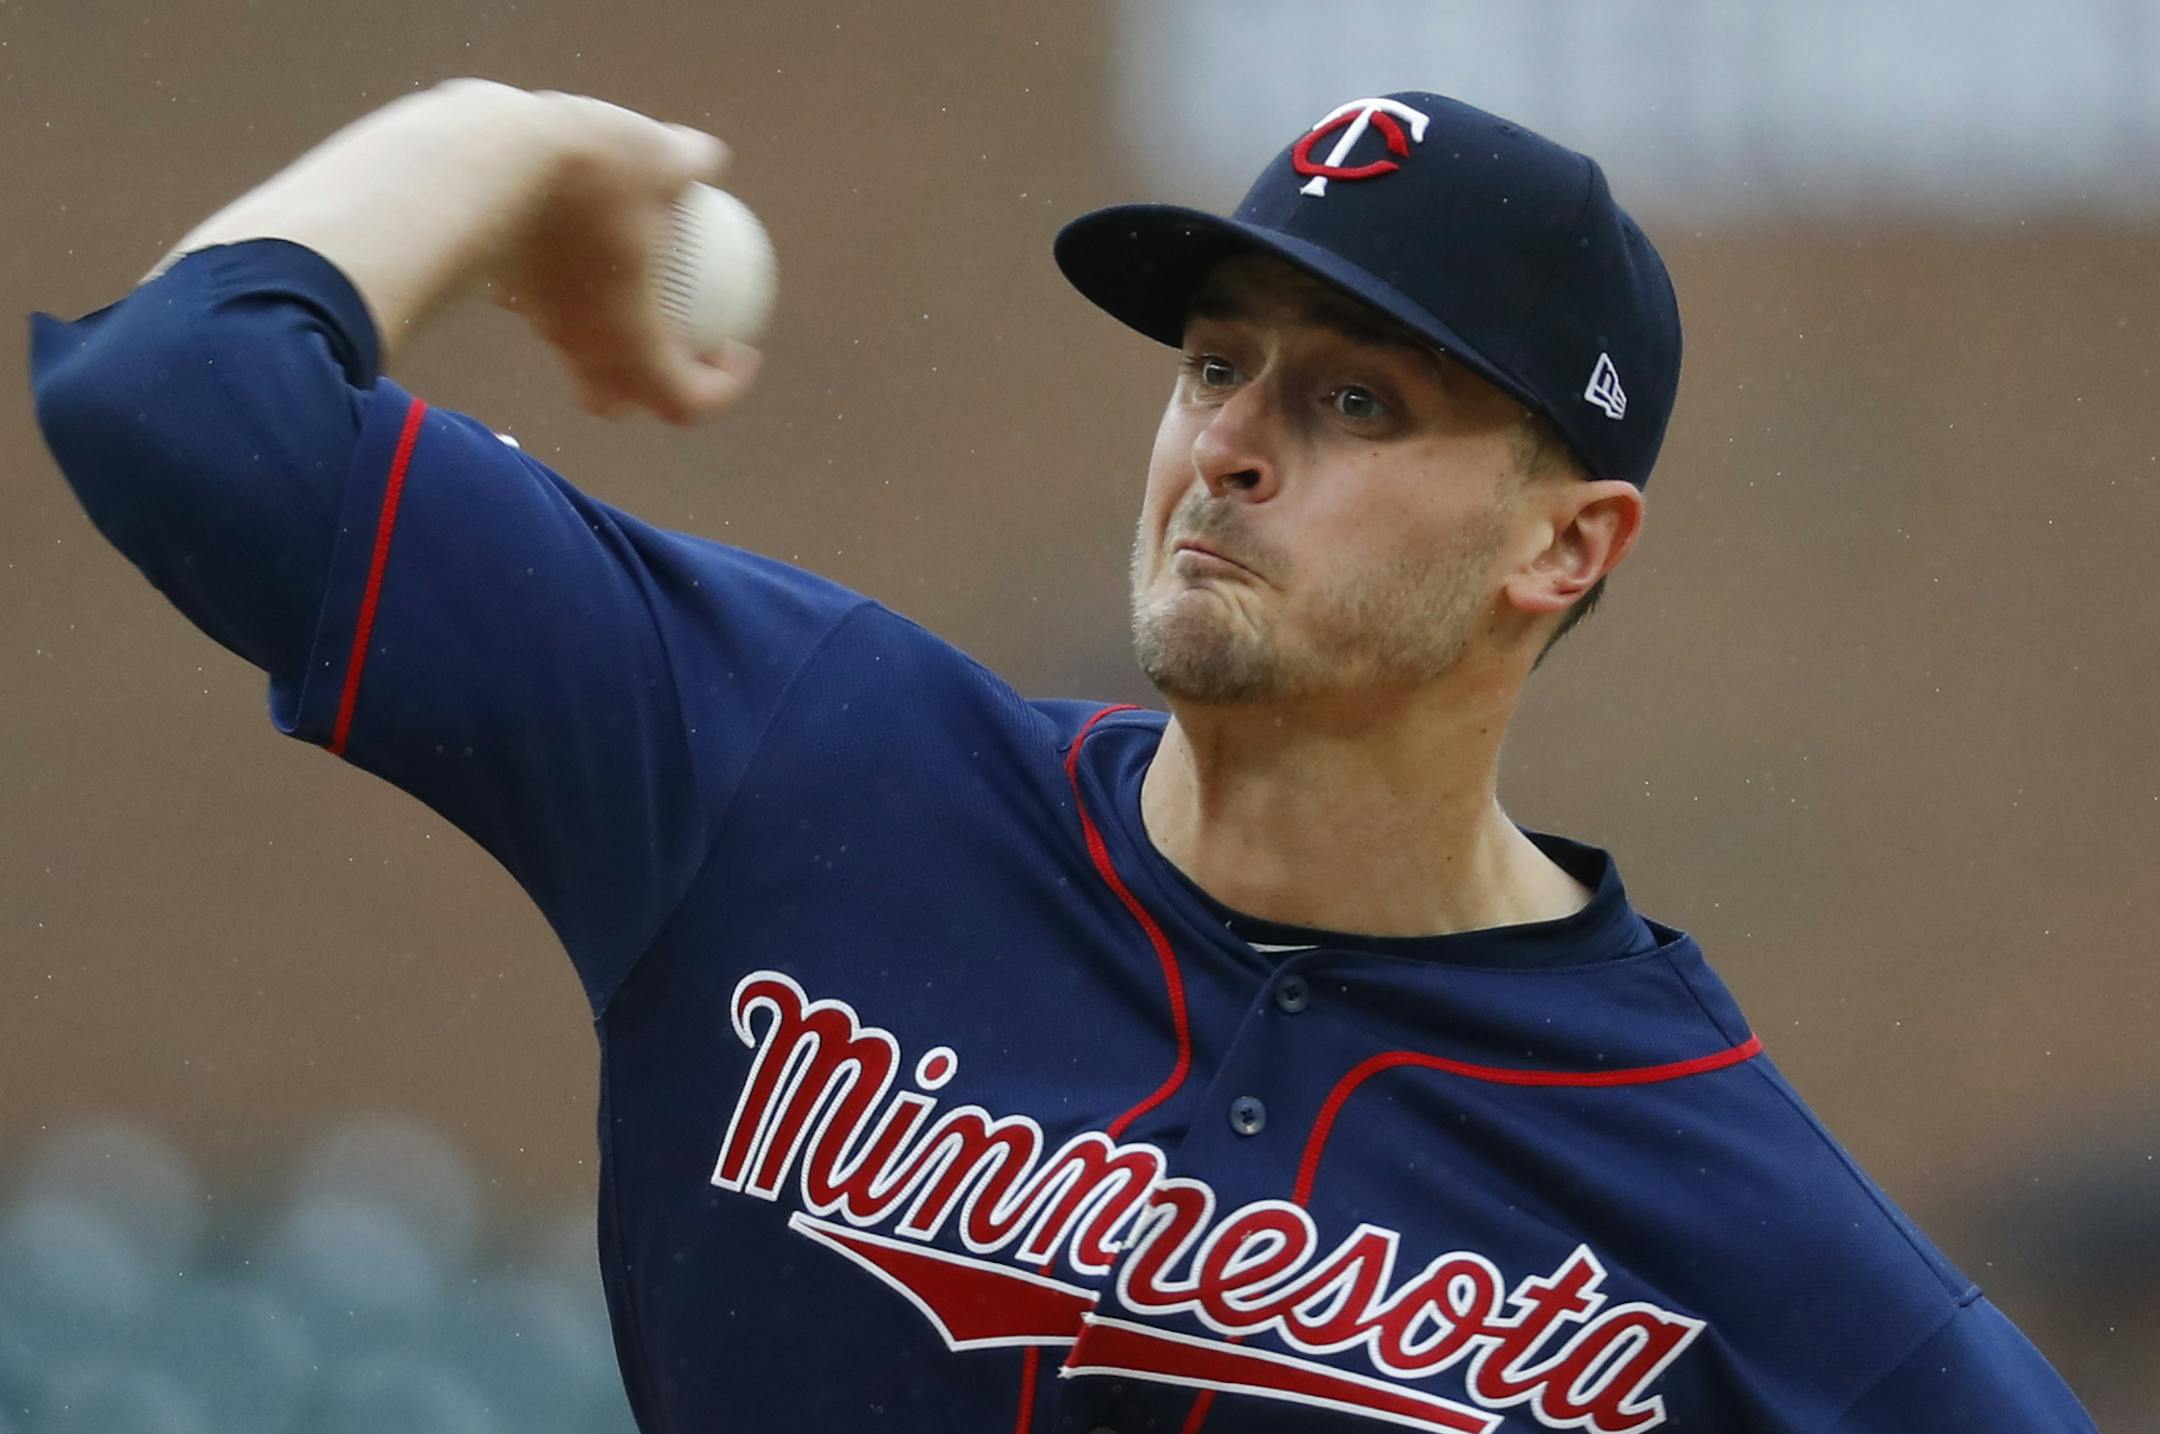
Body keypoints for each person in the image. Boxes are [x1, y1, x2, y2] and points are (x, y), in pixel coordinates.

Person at [28, 78, 2094, 1433]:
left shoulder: (1737, 1227)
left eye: (1359, 400)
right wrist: (500, 140)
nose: (1230, 439)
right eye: (1215, 363)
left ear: (1566, 547)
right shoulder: (805, 768)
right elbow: (173, 403)